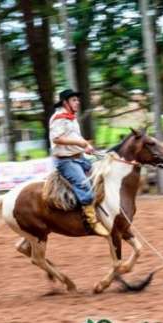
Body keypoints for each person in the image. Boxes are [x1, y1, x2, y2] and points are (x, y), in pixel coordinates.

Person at [49, 89, 109, 236]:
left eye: (77, 99)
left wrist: (86, 146)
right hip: (66, 161)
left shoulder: (72, 118)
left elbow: (74, 138)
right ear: (65, 102)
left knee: (104, 161)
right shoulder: (58, 118)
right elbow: (56, 139)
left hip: (80, 157)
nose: (78, 102)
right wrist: (81, 144)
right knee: (85, 187)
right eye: (74, 100)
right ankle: (92, 222)